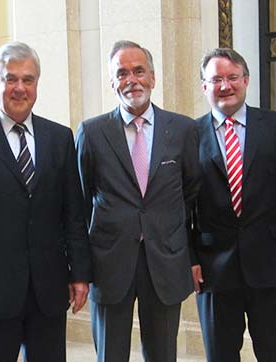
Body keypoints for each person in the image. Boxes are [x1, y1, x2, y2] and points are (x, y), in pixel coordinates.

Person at [0, 41, 91, 362]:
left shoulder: (60, 138)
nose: (20, 88)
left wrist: (80, 273)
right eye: (10, 79)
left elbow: (73, 214)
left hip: (48, 288)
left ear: (37, 83)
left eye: (28, 79)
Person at [76, 40, 201, 362]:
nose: (132, 79)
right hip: (109, 262)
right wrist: (78, 268)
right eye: (122, 73)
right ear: (112, 82)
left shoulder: (184, 129)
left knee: (162, 354)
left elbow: (191, 193)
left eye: (139, 70)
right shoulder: (91, 132)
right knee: (111, 354)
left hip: (165, 258)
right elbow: (79, 200)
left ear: (153, 77)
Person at [191, 47, 276, 362]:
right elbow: (181, 203)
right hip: (213, 268)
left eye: (232, 77)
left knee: (274, 353)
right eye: (216, 79)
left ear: (246, 80)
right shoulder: (188, 135)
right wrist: (188, 257)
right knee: (220, 355)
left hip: (271, 260)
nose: (225, 86)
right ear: (204, 86)